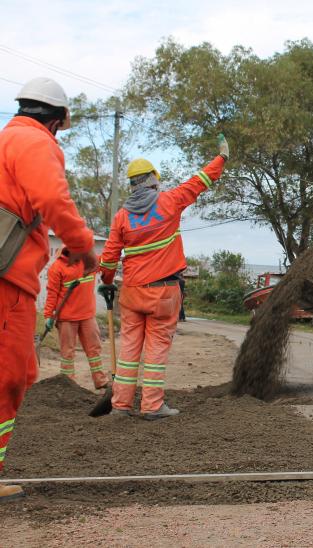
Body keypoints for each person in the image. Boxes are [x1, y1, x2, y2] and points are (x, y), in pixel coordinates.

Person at [0, 77, 97, 502]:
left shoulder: (6, 139)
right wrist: (83, 247)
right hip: (8, 283)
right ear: (58, 121)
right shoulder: (35, 144)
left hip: (11, 282)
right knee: (8, 378)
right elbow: (54, 201)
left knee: (21, 370)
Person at [99, 135, 229, 420]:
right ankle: (152, 406)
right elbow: (199, 182)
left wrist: (107, 282)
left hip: (131, 293)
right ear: (154, 180)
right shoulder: (169, 202)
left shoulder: (121, 217)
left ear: (132, 185)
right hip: (163, 293)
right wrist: (221, 158)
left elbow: (108, 258)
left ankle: (120, 405)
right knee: (156, 349)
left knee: (130, 348)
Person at [44, 247, 108, 389]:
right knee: (67, 352)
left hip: (87, 315)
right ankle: (68, 385)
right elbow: (52, 294)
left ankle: (101, 382)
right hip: (66, 318)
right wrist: (48, 316)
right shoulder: (57, 268)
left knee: (94, 349)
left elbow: (107, 259)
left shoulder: (90, 262)